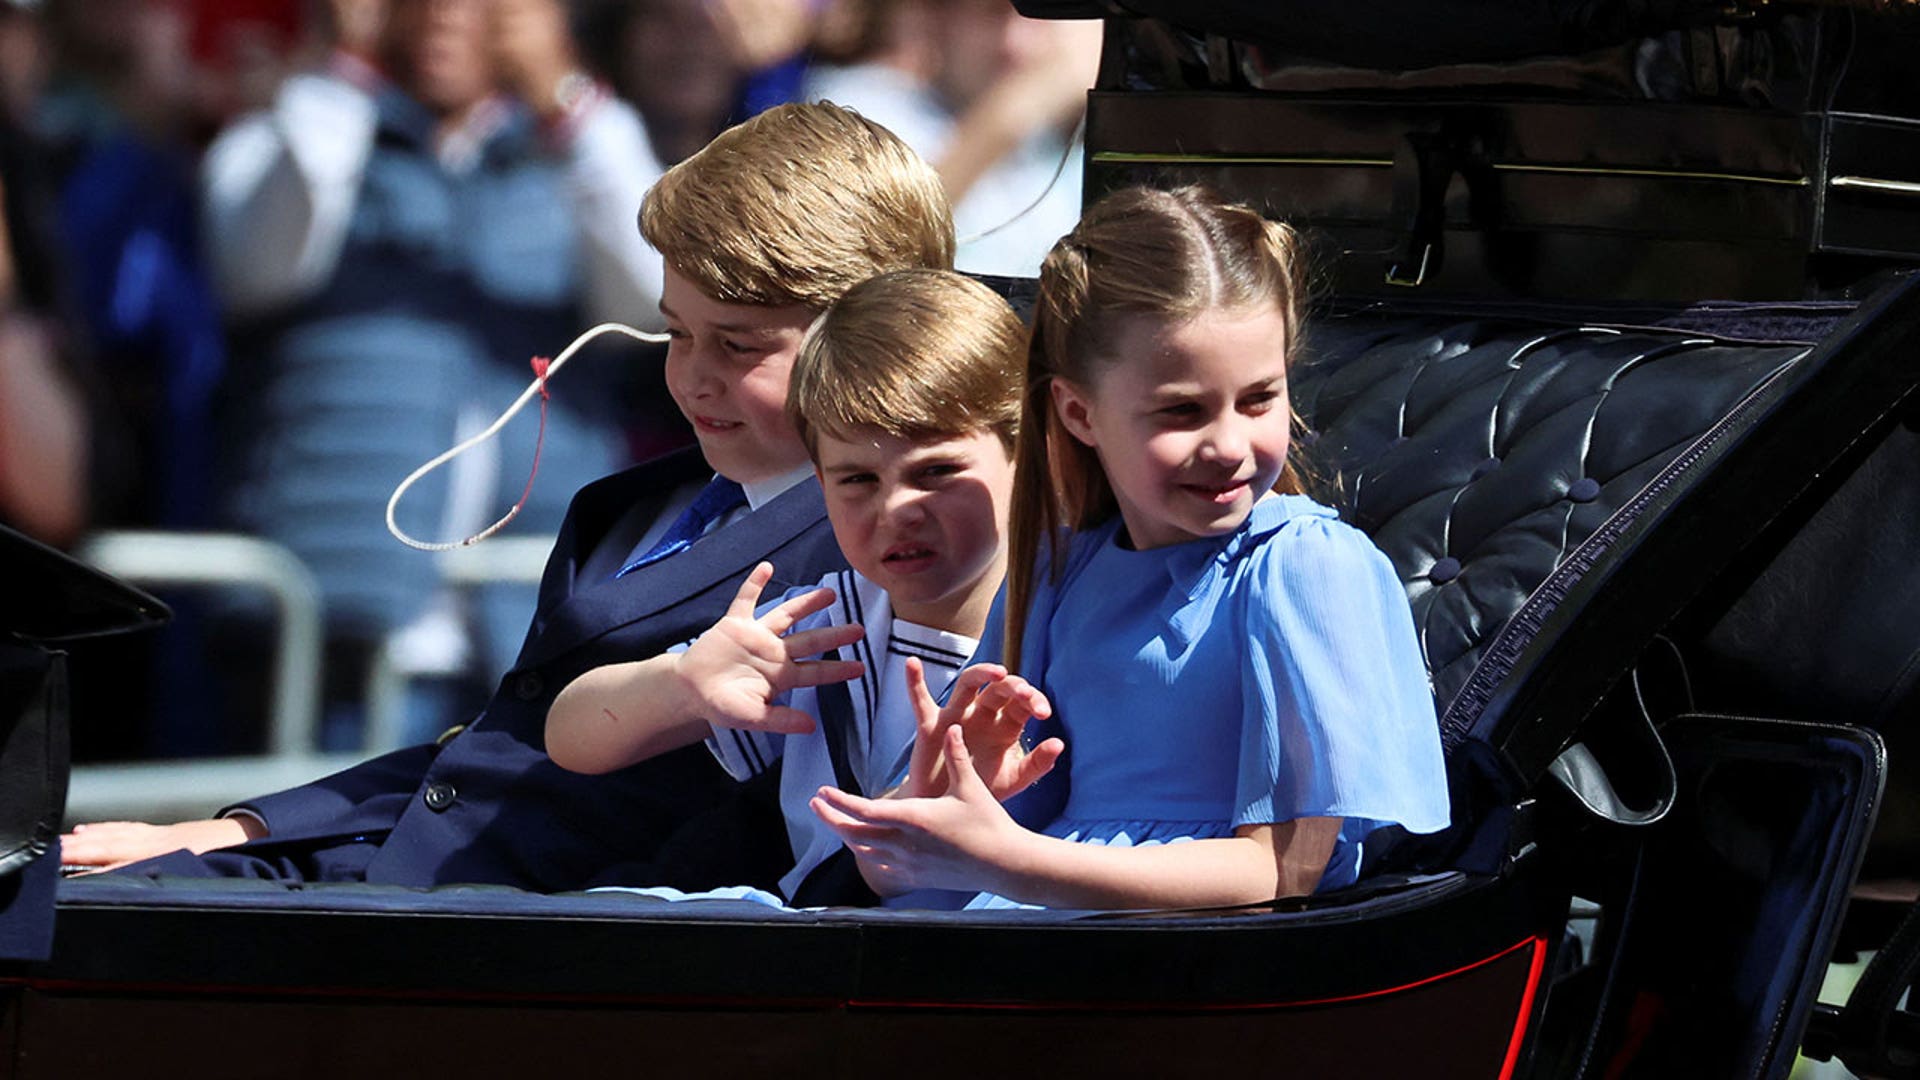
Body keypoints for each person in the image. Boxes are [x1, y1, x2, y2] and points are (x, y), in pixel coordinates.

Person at [59, 101, 957, 893]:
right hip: (394, 884)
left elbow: (744, 846)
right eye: (677, 333)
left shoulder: (871, 554)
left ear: (879, 336)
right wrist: (237, 834)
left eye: (738, 343)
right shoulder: (640, 509)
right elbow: (490, 754)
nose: (692, 377)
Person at [811, 186, 1452, 910]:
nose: (1229, 445)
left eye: (1259, 399)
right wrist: (939, 801)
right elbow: (906, 871)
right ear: (1079, 412)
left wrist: (1013, 862)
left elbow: (1282, 874)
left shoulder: (1305, 567)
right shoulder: (1063, 572)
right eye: (1182, 410)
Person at [546, 268, 1061, 906]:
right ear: (819, 484)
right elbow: (571, 737)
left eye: (935, 472)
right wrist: (684, 686)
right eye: (857, 481)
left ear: (1031, 456)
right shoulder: (824, 627)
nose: (897, 508)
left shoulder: (1067, 620)